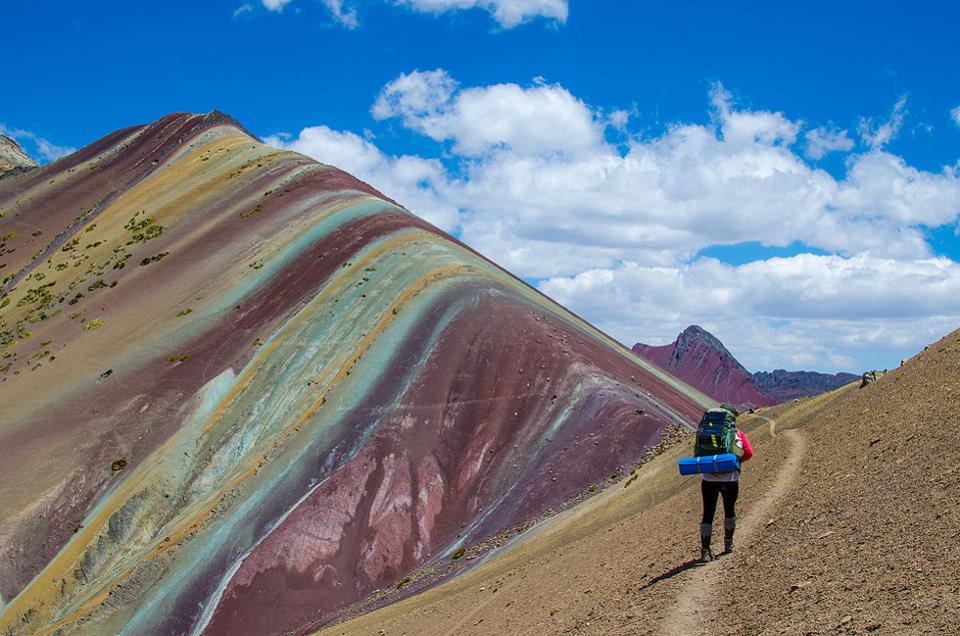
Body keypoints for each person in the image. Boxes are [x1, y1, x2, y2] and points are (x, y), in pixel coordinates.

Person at [699, 403, 753, 563]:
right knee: (729, 510)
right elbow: (749, 452)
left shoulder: (707, 431)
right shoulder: (737, 434)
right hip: (730, 479)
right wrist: (734, 462)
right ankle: (728, 544)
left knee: (708, 513)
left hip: (708, 479)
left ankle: (705, 551)